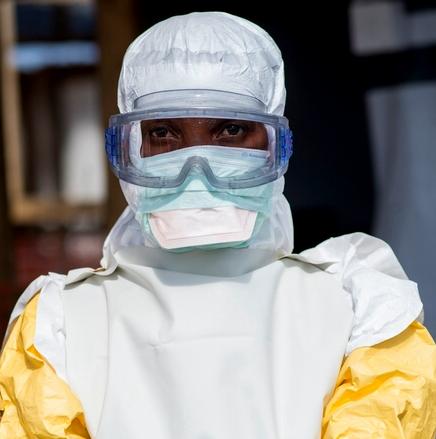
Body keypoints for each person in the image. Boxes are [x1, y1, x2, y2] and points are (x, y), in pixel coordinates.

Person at [0, 11, 435, 439]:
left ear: (277, 146)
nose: (197, 166)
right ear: (129, 151)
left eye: (229, 130)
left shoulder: (364, 311)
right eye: (164, 134)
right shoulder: (56, 328)